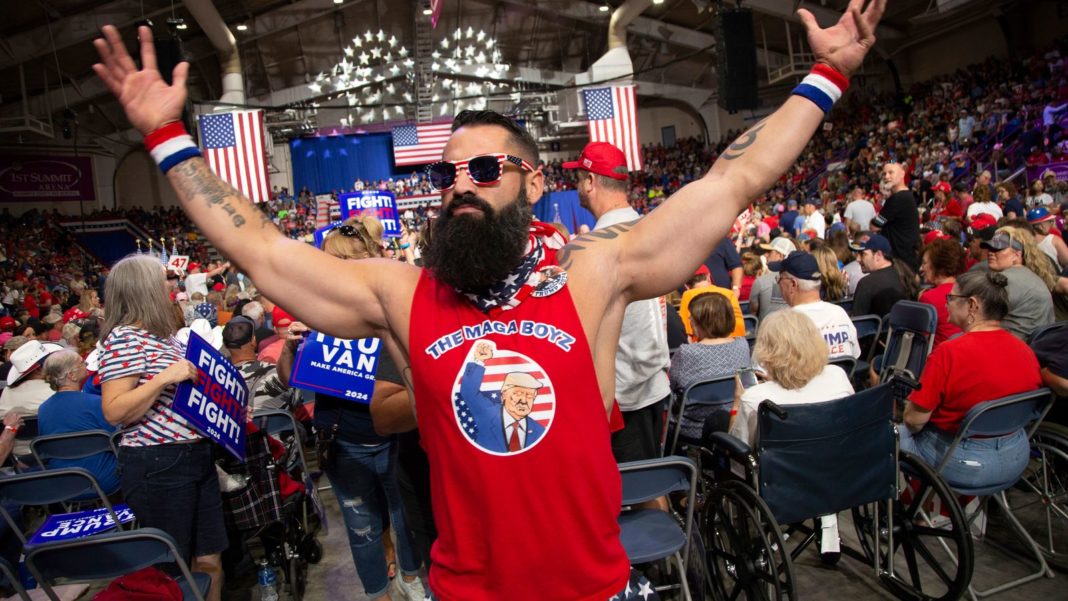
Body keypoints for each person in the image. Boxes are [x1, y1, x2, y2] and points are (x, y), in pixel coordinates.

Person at [91, 4, 887, 596]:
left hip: (593, 586)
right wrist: (167, 137)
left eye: (482, 171)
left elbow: (733, 178)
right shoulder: (403, 293)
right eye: (447, 175)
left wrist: (828, 75)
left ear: (532, 181)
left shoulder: (594, 273)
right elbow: (261, 248)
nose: (459, 188)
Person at [276, 215, 425, 601]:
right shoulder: (315, 311)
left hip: (396, 440)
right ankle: (378, 594)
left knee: (406, 518)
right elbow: (290, 378)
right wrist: (292, 346)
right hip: (343, 441)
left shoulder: (396, 308)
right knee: (362, 528)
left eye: (336, 263)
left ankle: (410, 578)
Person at [97, 254, 226, 601]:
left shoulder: (161, 337)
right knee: (172, 569)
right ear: (144, 289)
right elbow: (114, 410)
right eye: (165, 280)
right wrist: (166, 377)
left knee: (210, 555)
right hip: (158, 462)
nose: (173, 286)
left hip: (193, 454)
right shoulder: (124, 338)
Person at [565, 141, 671, 465]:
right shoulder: (649, 228)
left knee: (639, 495)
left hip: (625, 395)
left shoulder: (598, 245)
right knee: (653, 487)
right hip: (654, 385)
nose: (577, 188)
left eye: (579, 179)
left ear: (591, 182)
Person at [727, 309, 854, 563]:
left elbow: (737, 452)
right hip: (838, 469)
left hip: (783, 480)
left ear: (767, 352)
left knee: (717, 429)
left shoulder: (757, 399)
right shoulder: (839, 377)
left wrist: (738, 401)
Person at [900, 270, 1042, 490]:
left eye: (951, 298)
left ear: (973, 305)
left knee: (885, 436)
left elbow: (914, 420)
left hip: (962, 461)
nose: (946, 304)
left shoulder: (949, 353)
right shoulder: (1025, 350)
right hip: (1015, 454)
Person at [38, 349, 120, 494]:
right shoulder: (96, 402)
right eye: (82, 363)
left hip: (63, 483)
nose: (87, 364)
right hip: (104, 479)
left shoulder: (43, 409)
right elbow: (117, 438)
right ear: (71, 375)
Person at [771, 251, 860, 359]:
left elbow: (761, 370)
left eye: (780, 279)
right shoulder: (839, 314)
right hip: (840, 375)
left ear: (793, 284)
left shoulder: (780, 324)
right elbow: (854, 356)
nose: (778, 283)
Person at [981, 228, 1056, 340]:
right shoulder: (1032, 277)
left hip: (1013, 348)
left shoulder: (1005, 279)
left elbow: (978, 317)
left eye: (998, 249)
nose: (991, 252)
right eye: (990, 248)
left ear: (1017, 254)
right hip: (1037, 348)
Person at [918, 239, 967, 348]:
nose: (921, 268)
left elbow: (920, 339)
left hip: (938, 356)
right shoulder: (969, 291)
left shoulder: (929, 298)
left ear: (938, 266)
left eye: (925, 263)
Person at [872, 163, 920, 272]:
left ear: (902, 173)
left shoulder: (898, 199)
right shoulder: (901, 197)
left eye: (891, 172)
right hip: (903, 259)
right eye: (884, 173)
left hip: (902, 261)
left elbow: (875, 226)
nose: (886, 176)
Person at [851, 234, 906, 318]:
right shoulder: (905, 276)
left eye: (862, 254)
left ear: (878, 255)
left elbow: (858, 322)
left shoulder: (866, 284)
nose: (857, 259)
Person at [749, 237, 794, 320]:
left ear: (780, 256)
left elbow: (753, 310)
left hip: (765, 330)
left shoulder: (761, 281)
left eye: (769, 252)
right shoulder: (799, 280)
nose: (765, 255)